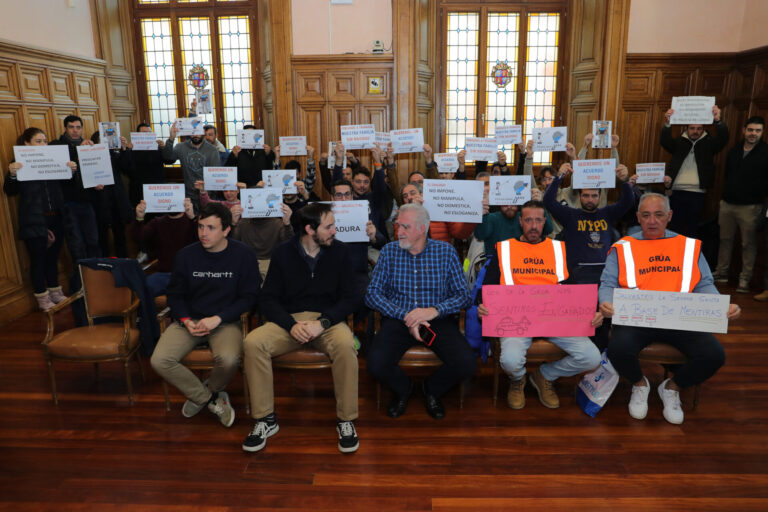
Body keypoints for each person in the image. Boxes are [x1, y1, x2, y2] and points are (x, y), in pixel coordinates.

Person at [599, 193, 741, 424]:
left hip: (680, 320)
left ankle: (672, 387)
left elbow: (704, 283)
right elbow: (608, 283)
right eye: (646, 215)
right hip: (637, 320)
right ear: (638, 217)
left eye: (658, 215)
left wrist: (721, 307)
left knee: (714, 355)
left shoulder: (688, 246)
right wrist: (605, 301)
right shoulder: (623, 247)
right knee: (617, 349)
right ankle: (639, 383)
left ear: (669, 216)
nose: (652, 221)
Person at [242, 203, 362, 453]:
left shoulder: (340, 252)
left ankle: (346, 419)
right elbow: (267, 298)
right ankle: (265, 419)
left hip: (327, 321)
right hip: (290, 320)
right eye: (328, 227)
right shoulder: (283, 253)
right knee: (253, 342)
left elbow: (352, 297)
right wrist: (291, 324)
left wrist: (323, 322)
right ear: (309, 229)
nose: (334, 231)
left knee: (345, 345)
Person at [477, 200, 601, 409]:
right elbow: (488, 287)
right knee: (509, 361)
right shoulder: (505, 249)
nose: (533, 226)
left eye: (538, 220)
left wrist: (591, 311)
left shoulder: (558, 249)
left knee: (592, 358)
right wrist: (483, 305)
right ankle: (518, 379)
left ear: (545, 222)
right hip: (516, 320)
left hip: (555, 319)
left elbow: (574, 289)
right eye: (528, 220)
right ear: (520, 221)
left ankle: (544, 375)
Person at [150, 203, 260, 427]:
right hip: (190, 320)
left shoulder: (243, 254)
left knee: (229, 359)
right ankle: (208, 399)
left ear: (226, 230)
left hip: (225, 321)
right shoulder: (185, 255)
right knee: (159, 360)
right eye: (200, 226)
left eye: (211, 228)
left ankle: (208, 390)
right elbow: (175, 295)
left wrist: (218, 318)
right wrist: (185, 320)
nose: (203, 233)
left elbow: (249, 297)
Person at [365, 203, 475, 419]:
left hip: (437, 320)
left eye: (405, 227)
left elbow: (464, 296)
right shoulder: (389, 252)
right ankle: (404, 389)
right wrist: (407, 316)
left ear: (422, 229)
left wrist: (434, 311)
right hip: (399, 319)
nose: (399, 231)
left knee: (466, 363)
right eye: (398, 225)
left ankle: (431, 389)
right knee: (375, 365)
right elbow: (372, 294)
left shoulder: (445, 252)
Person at [4, 128, 76, 310]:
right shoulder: (18, 163)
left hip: (56, 217)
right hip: (34, 219)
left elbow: (67, 184)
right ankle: (42, 298)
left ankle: (55, 292)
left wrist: (71, 170)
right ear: (26, 143)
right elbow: (9, 190)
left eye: (44, 141)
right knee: (38, 260)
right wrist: (12, 174)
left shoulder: (53, 159)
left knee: (53, 258)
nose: (43, 144)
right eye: (38, 141)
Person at [713, 116, 768, 293]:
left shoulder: (766, 152)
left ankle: (745, 279)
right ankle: (721, 273)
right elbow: (727, 176)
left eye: (758, 130)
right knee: (725, 240)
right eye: (750, 130)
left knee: (748, 244)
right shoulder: (734, 151)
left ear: (762, 132)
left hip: (751, 207)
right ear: (744, 130)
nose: (753, 133)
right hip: (728, 204)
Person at [660, 104, 729, 237]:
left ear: (703, 129)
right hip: (676, 191)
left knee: (691, 229)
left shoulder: (709, 143)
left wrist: (718, 121)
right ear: (686, 128)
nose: (695, 131)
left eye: (699, 129)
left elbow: (723, 139)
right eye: (692, 128)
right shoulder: (679, 142)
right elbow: (665, 141)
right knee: (674, 227)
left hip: (697, 193)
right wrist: (667, 124)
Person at [129, 197, 197, 298]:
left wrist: (192, 218)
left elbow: (201, 239)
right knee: (139, 290)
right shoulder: (157, 222)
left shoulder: (192, 222)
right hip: (163, 275)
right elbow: (139, 237)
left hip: (188, 275)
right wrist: (139, 218)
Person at [231, 199, 294, 282]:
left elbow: (289, 246)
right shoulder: (242, 223)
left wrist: (287, 224)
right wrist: (233, 224)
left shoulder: (278, 224)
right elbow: (232, 244)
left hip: (271, 264)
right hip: (248, 263)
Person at [162, 123, 220, 212]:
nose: (195, 135)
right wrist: (171, 139)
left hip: (207, 195)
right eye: (193, 132)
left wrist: (209, 195)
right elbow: (167, 159)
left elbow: (215, 176)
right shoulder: (181, 147)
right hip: (188, 195)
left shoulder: (212, 150)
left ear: (203, 132)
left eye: (198, 132)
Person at [123, 123, 171, 208]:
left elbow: (170, 161)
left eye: (149, 133)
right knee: (139, 213)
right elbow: (124, 168)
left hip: (156, 189)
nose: (147, 135)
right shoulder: (131, 149)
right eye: (144, 133)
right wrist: (126, 150)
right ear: (137, 135)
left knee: (158, 213)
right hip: (138, 189)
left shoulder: (158, 147)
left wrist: (164, 148)